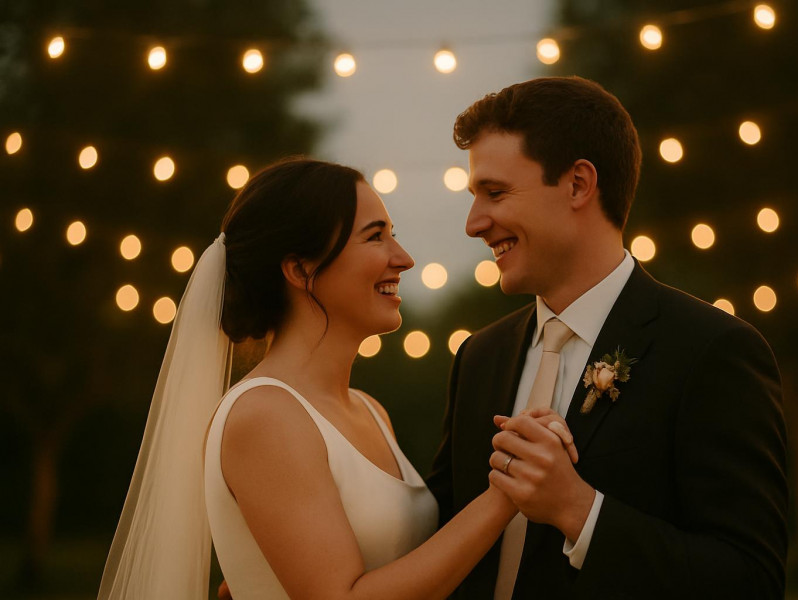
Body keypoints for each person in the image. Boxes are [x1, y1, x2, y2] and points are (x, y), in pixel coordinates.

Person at [97, 157, 577, 599]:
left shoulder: (370, 410)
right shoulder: (264, 415)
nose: (404, 258)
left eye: (393, 233)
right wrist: (505, 494)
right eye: (375, 237)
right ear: (302, 269)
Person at [426, 76, 789, 599]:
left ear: (578, 184)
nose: (473, 222)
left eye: (495, 192)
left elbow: (750, 581)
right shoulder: (478, 356)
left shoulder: (712, 351)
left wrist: (578, 510)